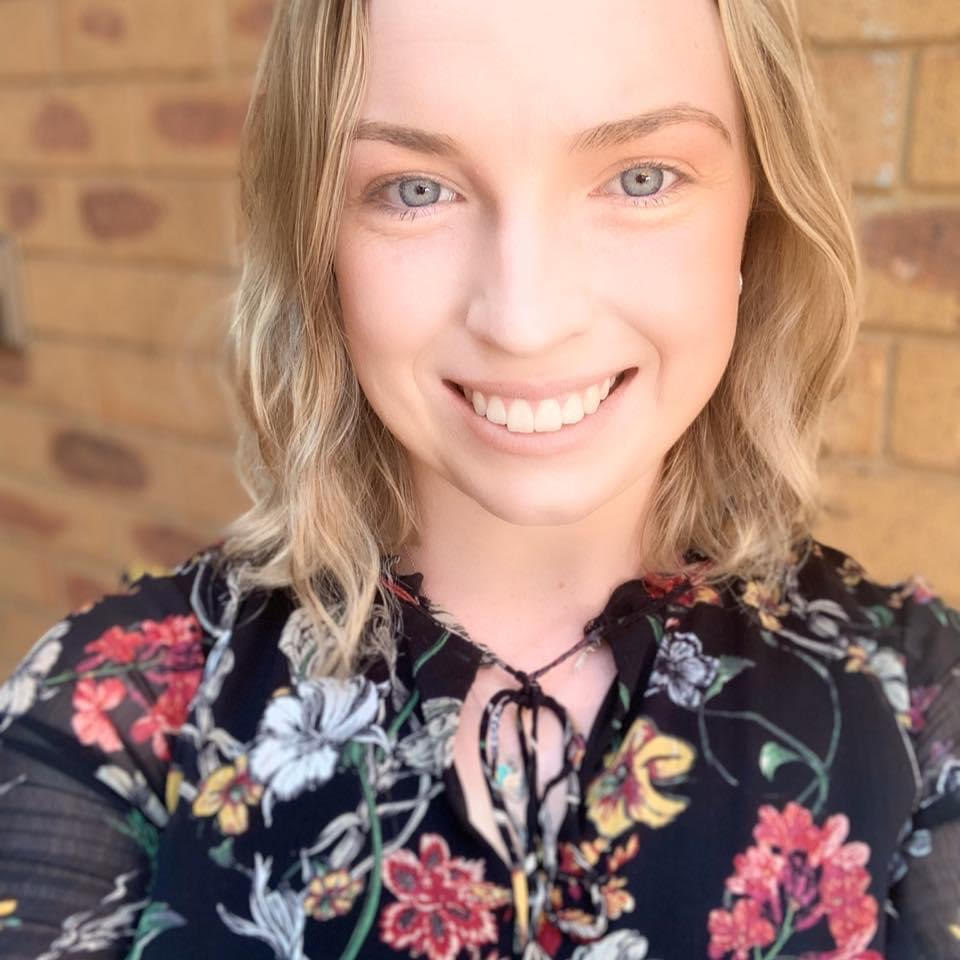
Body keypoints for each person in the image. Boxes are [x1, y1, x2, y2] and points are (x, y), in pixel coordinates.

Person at [0, 0, 958, 957]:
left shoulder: (919, 701)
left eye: (641, 177)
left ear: (757, 219)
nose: (524, 321)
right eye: (415, 190)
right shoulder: (120, 707)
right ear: (318, 242)